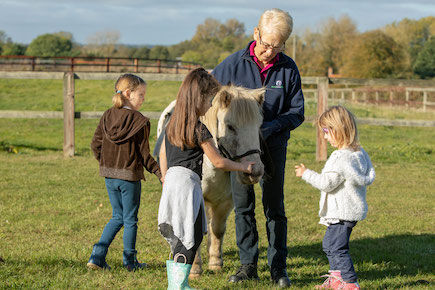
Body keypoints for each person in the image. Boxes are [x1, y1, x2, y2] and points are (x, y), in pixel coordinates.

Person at [211, 8, 304, 287]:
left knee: (274, 208)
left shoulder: (288, 69)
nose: (269, 51)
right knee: (243, 207)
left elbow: (297, 112)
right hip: (240, 151)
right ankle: (247, 266)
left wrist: (268, 128)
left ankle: (278, 269)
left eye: (277, 46)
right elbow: (209, 99)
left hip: (272, 148)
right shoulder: (232, 65)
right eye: (266, 44)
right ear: (256, 33)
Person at [157, 68, 256, 289]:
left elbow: (162, 153)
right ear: (198, 98)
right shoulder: (199, 128)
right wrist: (242, 167)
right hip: (189, 183)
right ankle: (178, 285)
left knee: (179, 234)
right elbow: (218, 161)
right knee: (192, 236)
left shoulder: (171, 124)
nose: (212, 104)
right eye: (210, 99)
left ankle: (177, 282)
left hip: (172, 180)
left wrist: (165, 177)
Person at [295, 106, 375, 290]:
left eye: (326, 131)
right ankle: (336, 279)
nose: (324, 136)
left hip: (342, 212)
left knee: (337, 248)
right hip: (350, 211)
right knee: (330, 244)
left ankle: (350, 283)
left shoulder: (340, 158)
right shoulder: (359, 153)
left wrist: (306, 173)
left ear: (338, 130)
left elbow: (326, 183)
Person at [88, 73, 162, 272]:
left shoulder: (107, 115)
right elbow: (144, 155)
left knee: (117, 217)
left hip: (109, 177)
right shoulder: (140, 121)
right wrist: (159, 172)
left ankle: (97, 257)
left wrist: (106, 164)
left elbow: (95, 145)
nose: (144, 99)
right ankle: (130, 262)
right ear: (128, 93)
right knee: (129, 219)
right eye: (141, 94)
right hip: (129, 178)